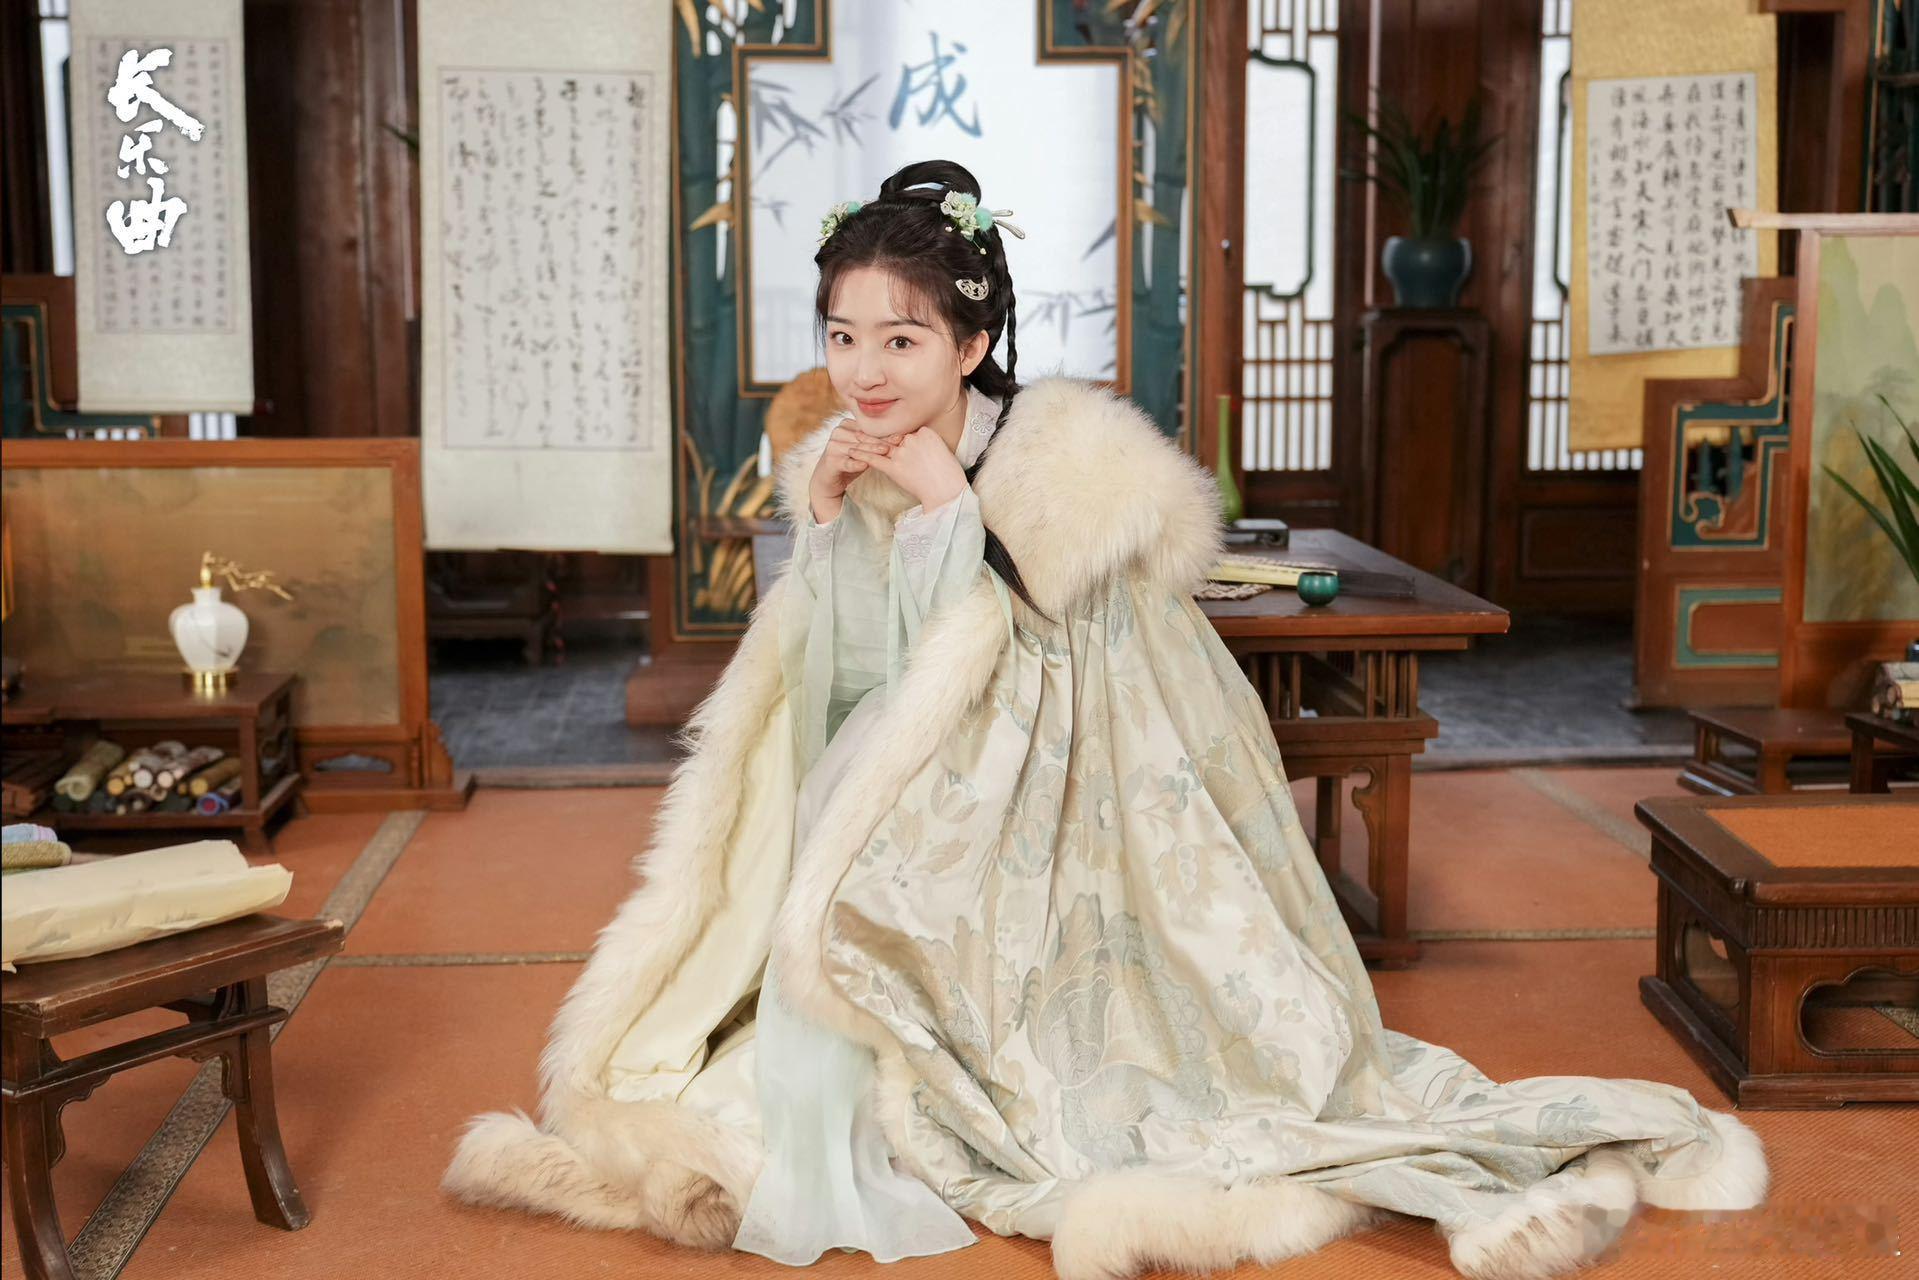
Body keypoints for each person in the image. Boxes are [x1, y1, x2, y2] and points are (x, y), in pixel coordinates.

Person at [445, 159, 1767, 1280]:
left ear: (970, 347)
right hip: (896, 781)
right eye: (843, 336)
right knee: (798, 957)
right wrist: (839, 522)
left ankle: (1476, 1179)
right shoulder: (849, 459)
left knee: (945, 974)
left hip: (1047, 821)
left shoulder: (1067, 470)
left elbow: (1074, 696)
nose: (864, 370)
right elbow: (846, 685)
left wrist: (952, 514)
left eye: (901, 340)